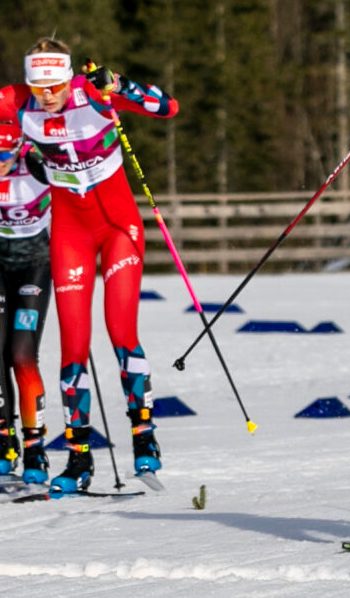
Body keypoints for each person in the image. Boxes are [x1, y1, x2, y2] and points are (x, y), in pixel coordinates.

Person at [0, 37, 179, 493]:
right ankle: (79, 458)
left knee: (121, 332)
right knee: (72, 347)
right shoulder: (18, 102)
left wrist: (121, 84)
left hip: (118, 228)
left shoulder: (93, 92)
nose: (48, 96)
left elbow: (167, 108)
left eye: (55, 85)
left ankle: (145, 440)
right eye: (39, 87)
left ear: (68, 76)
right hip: (70, 234)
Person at [0, 121, 52, 484]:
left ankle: (35, 445)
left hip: (35, 269)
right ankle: (5, 441)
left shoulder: (35, 166)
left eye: (3, 156)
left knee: (21, 354)